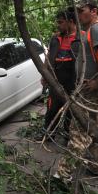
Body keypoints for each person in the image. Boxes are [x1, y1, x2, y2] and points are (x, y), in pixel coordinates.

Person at [56, 0, 98, 179]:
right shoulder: (92, 29)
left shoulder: (96, 28)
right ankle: (97, 165)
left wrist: (97, 82)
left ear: (93, 11)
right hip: (96, 91)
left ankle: (63, 176)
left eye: (81, 10)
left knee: (78, 130)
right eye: (76, 11)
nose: (78, 14)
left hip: (91, 91)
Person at [40, 8, 83, 138]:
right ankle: (48, 134)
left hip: (73, 81)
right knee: (52, 108)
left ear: (70, 21)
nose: (58, 25)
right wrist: (44, 74)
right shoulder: (56, 38)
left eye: (60, 22)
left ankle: (67, 135)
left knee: (72, 110)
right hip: (56, 80)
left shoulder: (81, 38)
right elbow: (49, 56)